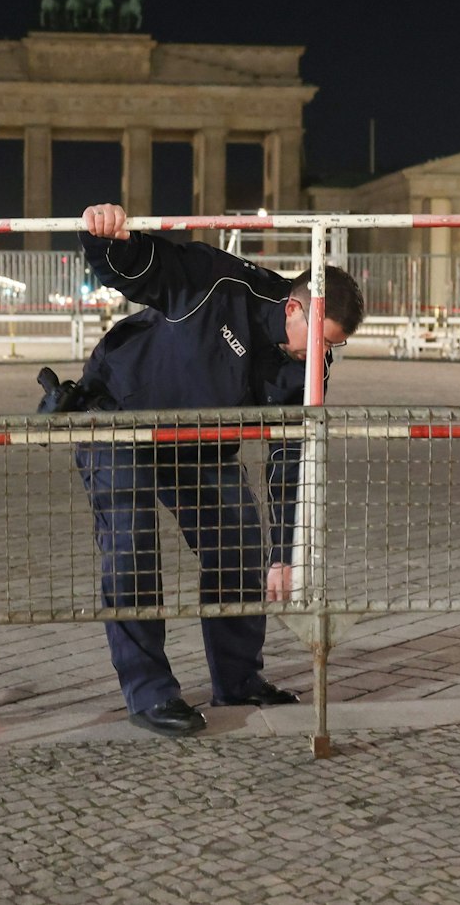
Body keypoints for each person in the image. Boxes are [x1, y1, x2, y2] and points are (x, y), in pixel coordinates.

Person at [72, 203, 365, 738]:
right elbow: (133, 268)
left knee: (240, 541)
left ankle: (238, 682)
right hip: (116, 417)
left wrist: (285, 556)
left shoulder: (308, 366)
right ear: (296, 310)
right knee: (132, 546)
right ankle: (150, 693)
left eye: (334, 347)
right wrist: (106, 236)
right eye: (323, 341)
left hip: (198, 440)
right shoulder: (217, 280)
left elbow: (290, 454)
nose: (323, 357)